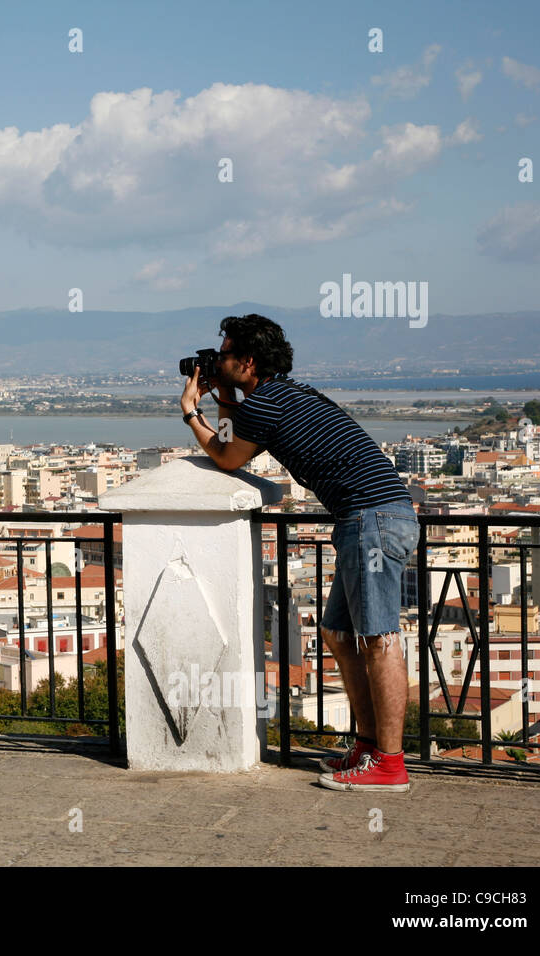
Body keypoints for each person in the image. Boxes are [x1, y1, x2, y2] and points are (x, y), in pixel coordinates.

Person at [179, 314, 419, 792]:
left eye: (224, 355)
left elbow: (225, 457)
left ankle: (391, 764)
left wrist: (191, 410)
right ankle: (369, 745)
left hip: (371, 518)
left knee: (379, 639)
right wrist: (225, 396)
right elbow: (234, 438)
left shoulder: (267, 403)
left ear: (246, 361)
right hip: (368, 517)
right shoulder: (280, 395)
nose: (216, 361)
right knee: (335, 632)